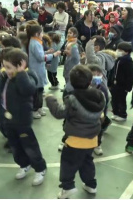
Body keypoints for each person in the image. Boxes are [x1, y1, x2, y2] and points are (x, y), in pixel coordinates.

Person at [0, 48, 47, 186]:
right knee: (15, 146)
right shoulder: (5, 76)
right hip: (7, 120)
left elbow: (28, 90)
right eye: (4, 66)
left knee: (30, 146)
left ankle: (40, 168)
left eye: (9, 67)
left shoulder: (28, 76)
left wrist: (21, 73)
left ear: (21, 65)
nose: (6, 70)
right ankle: (24, 164)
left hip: (22, 120)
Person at [45, 65, 105, 199]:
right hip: (92, 139)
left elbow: (59, 113)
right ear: (90, 81)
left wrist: (50, 100)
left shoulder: (72, 99)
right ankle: (91, 185)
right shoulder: (99, 95)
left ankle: (67, 188)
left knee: (68, 164)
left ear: (71, 82)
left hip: (75, 141)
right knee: (87, 162)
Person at [26, 23, 61, 119]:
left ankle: (39, 107)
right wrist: (53, 55)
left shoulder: (35, 42)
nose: (43, 35)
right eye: (41, 33)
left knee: (40, 90)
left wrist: (47, 52)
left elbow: (39, 54)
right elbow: (41, 57)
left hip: (38, 69)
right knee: (37, 91)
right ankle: (35, 109)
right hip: (36, 70)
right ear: (37, 34)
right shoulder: (35, 43)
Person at [109, 42, 133, 122]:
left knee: (121, 100)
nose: (117, 51)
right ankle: (115, 112)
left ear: (126, 52)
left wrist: (128, 87)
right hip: (115, 84)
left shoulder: (128, 61)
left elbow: (130, 75)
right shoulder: (118, 59)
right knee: (114, 99)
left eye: (120, 50)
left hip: (122, 85)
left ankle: (122, 114)